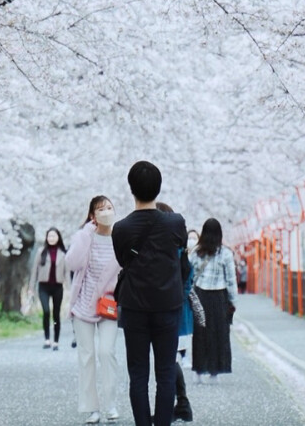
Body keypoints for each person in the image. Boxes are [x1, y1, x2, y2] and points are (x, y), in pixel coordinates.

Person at [112, 161, 187, 426]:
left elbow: (123, 261)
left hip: (134, 307)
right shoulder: (175, 223)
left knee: (138, 374)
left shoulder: (120, 228)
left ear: (131, 188)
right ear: (159, 187)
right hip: (168, 305)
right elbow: (181, 252)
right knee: (166, 372)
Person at [68, 196, 122, 425]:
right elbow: (72, 264)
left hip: (109, 305)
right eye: (101, 209)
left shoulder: (121, 237)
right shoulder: (85, 237)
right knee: (86, 356)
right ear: (92, 215)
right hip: (83, 305)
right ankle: (92, 408)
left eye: (109, 208)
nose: (106, 212)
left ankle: (110, 403)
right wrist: (85, 234)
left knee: (106, 352)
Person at [156, 203, 194, 424]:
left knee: (167, 360)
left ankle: (179, 405)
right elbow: (188, 278)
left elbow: (187, 278)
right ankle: (181, 404)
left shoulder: (175, 247)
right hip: (174, 308)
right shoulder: (177, 245)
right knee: (169, 359)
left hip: (171, 310)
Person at [190, 219, 237, 380]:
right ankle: (214, 370)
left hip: (200, 295)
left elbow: (190, 276)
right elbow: (231, 280)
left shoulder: (196, 252)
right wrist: (233, 301)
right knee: (219, 333)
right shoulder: (226, 253)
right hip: (219, 296)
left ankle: (199, 370)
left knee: (200, 333)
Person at [36, 227, 68, 350]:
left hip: (57, 287)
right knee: (46, 311)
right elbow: (34, 270)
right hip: (43, 286)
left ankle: (56, 341)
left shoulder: (63, 253)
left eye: (54, 236)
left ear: (58, 237)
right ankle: (47, 339)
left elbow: (67, 272)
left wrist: (70, 289)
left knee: (56, 314)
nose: (51, 238)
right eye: (49, 236)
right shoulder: (41, 252)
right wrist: (30, 288)